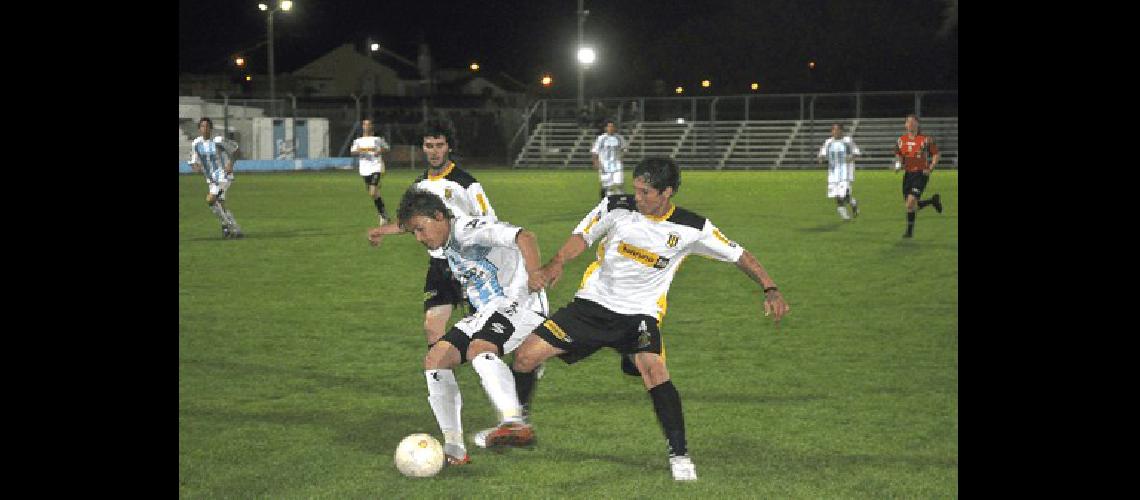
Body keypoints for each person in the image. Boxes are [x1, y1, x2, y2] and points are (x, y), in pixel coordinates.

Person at [490, 157, 791, 481]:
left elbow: (739, 254)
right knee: (524, 357)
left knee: (654, 370)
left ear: (667, 192)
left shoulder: (692, 228)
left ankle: (679, 454)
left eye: (646, 192)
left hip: (639, 316)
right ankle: (518, 423)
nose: (639, 198)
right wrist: (556, 262)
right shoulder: (616, 206)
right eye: (636, 190)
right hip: (593, 305)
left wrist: (770, 287)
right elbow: (583, 236)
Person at [395, 187, 549, 466]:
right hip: (487, 312)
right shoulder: (445, 243)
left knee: (480, 349)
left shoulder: (468, 229)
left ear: (439, 216)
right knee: (435, 360)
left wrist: (535, 272)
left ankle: (514, 420)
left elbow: (524, 236)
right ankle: (454, 447)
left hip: (518, 303)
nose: (419, 238)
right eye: (413, 233)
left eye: (420, 229)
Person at [189, 117, 243, 239]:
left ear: (211, 128)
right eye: (202, 126)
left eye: (207, 126)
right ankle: (234, 229)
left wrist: (230, 163)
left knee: (211, 199)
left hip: (224, 176)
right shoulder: (196, 144)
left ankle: (227, 226)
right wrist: (195, 166)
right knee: (220, 205)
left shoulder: (218, 140)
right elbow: (193, 161)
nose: (205, 129)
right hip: (212, 179)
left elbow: (236, 149)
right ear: (199, 129)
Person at [894, 114, 943, 237]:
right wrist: (899, 164)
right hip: (908, 174)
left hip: (921, 174)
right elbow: (898, 153)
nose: (910, 124)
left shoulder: (926, 139)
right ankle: (933, 201)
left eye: (913, 122)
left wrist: (930, 167)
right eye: (908, 122)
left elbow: (936, 154)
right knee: (910, 205)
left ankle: (909, 233)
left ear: (917, 124)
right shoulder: (901, 140)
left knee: (910, 203)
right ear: (905, 125)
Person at [350, 118, 392, 225]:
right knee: (374, 194)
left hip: (375, 167)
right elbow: (353, 151)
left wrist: (379, 150)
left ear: (371, 126)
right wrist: (359, 151)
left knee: (373, 191)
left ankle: (382, 216)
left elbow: (387, 148)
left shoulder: (377, 139)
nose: (366, 126)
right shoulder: (358, 141)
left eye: (368, 124)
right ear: (363, 126)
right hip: (364, 170)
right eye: (364, 124)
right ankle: (384, 214)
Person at [817, 123, 862, 220]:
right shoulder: (828, 142)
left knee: (844, 194)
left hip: (846, 172)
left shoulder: (847, 141)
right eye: (833, 130)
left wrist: (850, 158)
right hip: (833, 173)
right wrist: (821, 158)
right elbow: (822, 154)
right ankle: (847, 212)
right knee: (837, 195)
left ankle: (851, 205)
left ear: (842, 131)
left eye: (837, 130)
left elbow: (857, 153)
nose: (835, 132)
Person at [591, 121, 628, 199]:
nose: (611, 128)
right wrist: (596, 162)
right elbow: (595, 151)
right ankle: (609, 202)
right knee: (608, 186)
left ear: (615, 128)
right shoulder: (601, 138)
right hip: (605, 165)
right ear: (606, 128)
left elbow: (624, 149)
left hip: (617, 165)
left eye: (612, 126)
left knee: (619, 183)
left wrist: (621, 158)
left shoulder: (619, 138)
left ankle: (621, 202)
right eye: (609, 126)